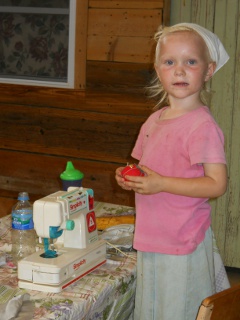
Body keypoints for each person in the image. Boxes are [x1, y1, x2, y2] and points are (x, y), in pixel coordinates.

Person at [115, 23, 229, 320]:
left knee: (178, 310)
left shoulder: (202, 126)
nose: (180, 70)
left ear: (208, 70)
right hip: (152, 235)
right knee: (153, 308)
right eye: (170, 62)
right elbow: (145, 168)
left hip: (182, 239)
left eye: (190, 61)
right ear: (158, 69)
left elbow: (217, 184)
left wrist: (161, 183)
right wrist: (129, 176)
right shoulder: (154, 120)